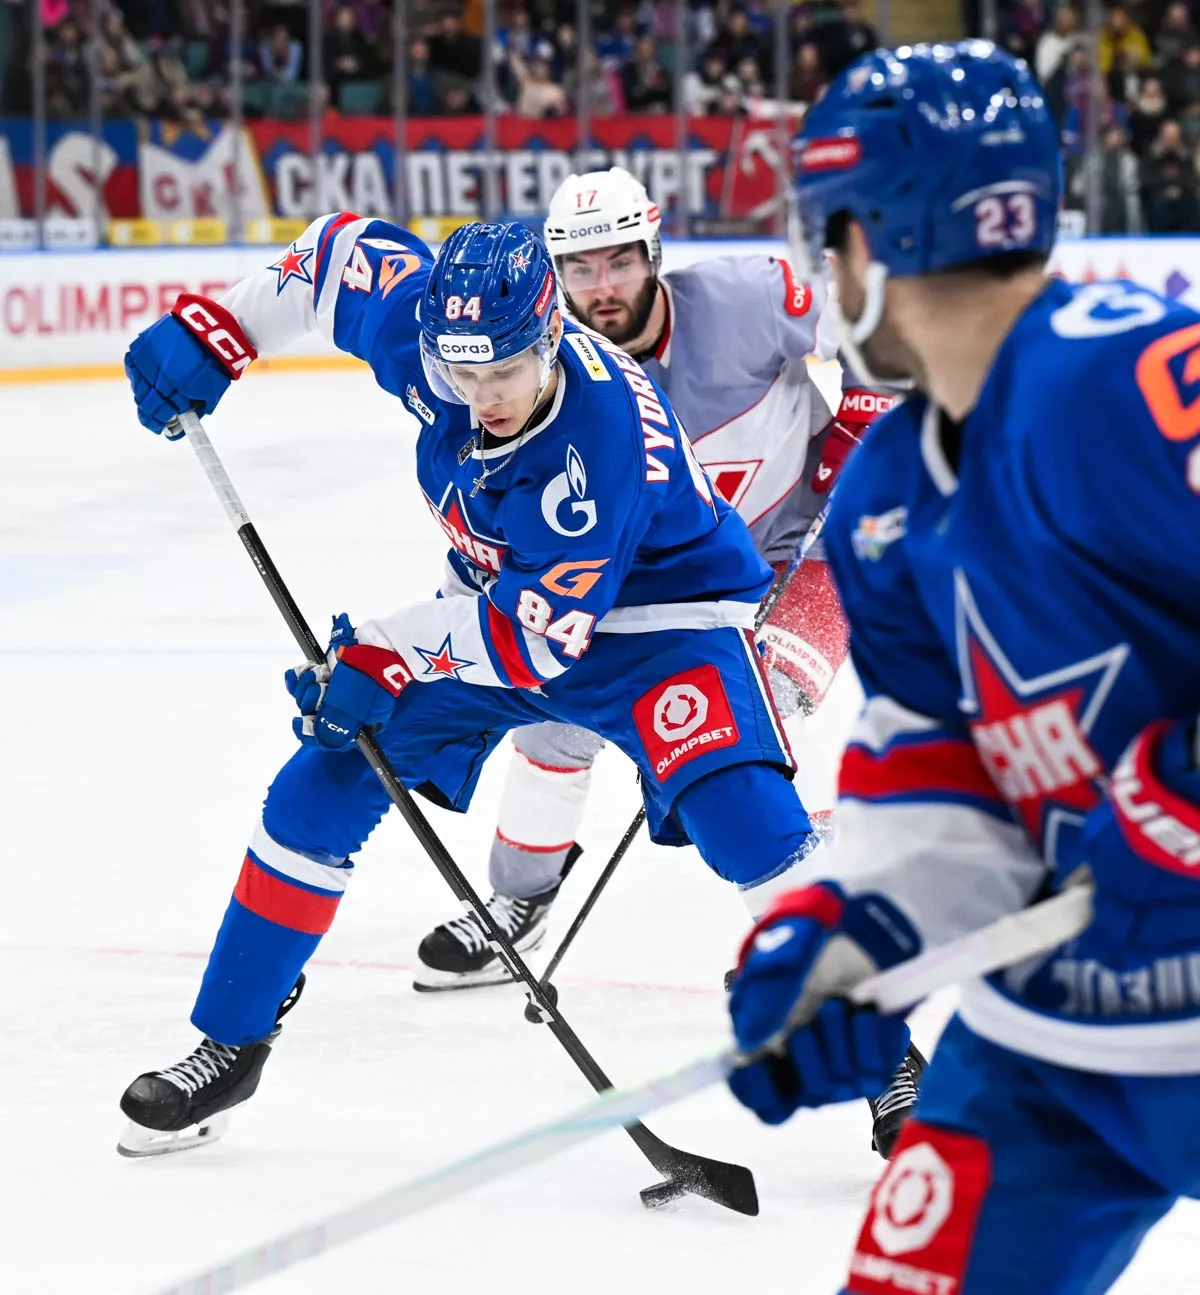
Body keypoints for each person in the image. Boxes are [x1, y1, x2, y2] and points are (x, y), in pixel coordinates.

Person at [115, 217, 826, 1154]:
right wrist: (222, 327)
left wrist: (387, 650)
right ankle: (231, 1040)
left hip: (663, 630)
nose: (482, 397)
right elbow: (332, 255)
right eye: (462, 374)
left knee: (750, 821)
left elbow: (537, 648)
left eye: (506, 371)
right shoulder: (434, 329)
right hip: (505, 606)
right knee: (326, 778)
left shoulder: (597, 443)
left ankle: (894, 1068)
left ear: (551, 335)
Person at [726, 40, 1200, 1294]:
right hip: (1061, 1036)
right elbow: (945, 760)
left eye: (829, 236)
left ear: (875, 239)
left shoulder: (1130, 381)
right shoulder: (885, 493)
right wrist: (858, 926)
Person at [412, 166, 923, 1159]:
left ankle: (832, 974)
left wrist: (863, 430)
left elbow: (884, 325)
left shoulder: (748, 297)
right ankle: (522, 893)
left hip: (801, 555)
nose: (601, 286)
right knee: (553, 717)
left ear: (654, 254)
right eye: (579, 268)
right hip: (646, 591)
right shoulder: (546, 379)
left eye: (618, 261)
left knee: (757, 722)